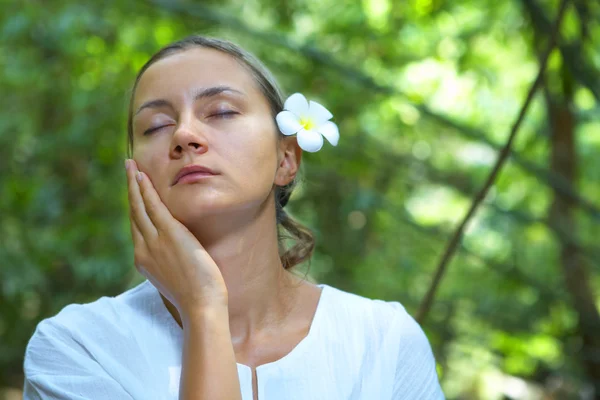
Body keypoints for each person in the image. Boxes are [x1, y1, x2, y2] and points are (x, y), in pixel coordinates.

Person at [22, 35, 445, 400]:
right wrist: (203, 307)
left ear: (286, 158)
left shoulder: (384, 342)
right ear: (135, 171)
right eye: (155, 126)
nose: (185, 135)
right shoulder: (77, 349)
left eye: (221, 112)